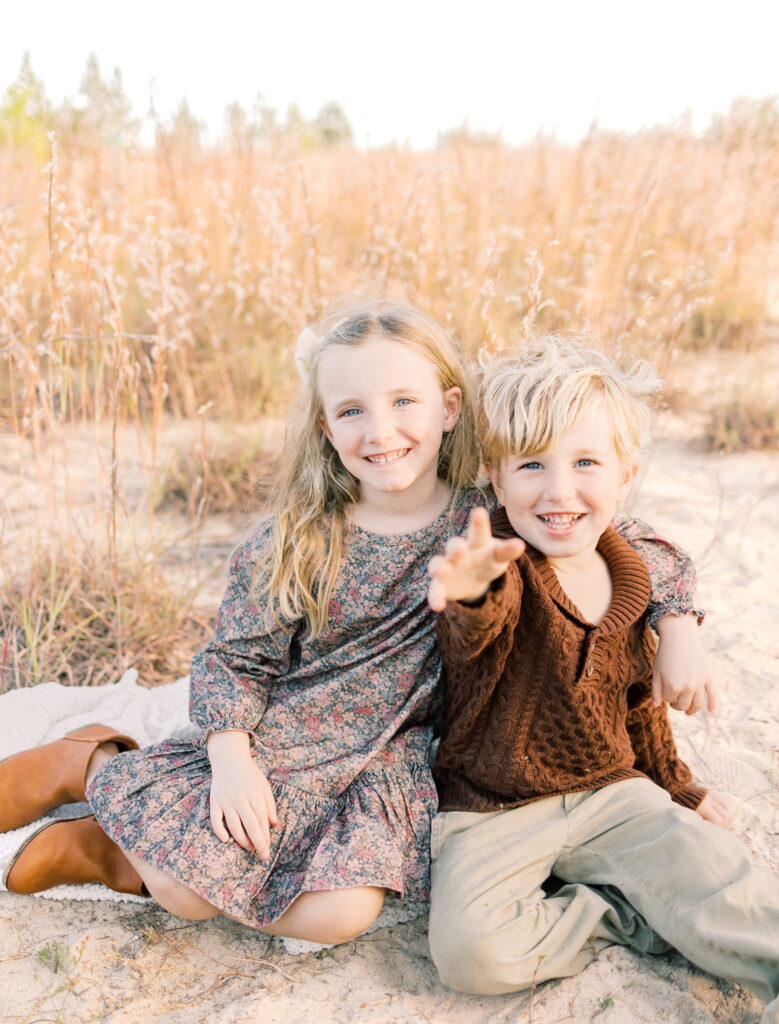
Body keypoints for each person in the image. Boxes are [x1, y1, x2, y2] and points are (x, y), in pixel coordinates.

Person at [1, 302, 709, 946]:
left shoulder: (491, 513)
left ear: (449, 408)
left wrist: (677, 624)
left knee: (338, 917)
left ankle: (119, 822)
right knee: (187, 897)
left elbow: (633, 541)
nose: (381, 432)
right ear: (324, 426)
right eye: (351, 411)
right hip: (292, 733)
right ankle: (100, 775)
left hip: (395, 752)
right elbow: (236, 659)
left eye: (405, 401)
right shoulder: (300, 536)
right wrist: (230, 758)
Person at [425, 337, 778, 1021]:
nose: (558, 490)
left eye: (585, 462)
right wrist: (470, 593)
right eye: (531, 465)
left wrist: (677, 787)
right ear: (497, 479)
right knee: (471, 954)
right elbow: (473, 636)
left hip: (612, 790)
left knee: (717, 879)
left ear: (624, 475)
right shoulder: (500, 565)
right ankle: (618, 915)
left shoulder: (633, 575)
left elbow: (639, 706)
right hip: (493, 805)